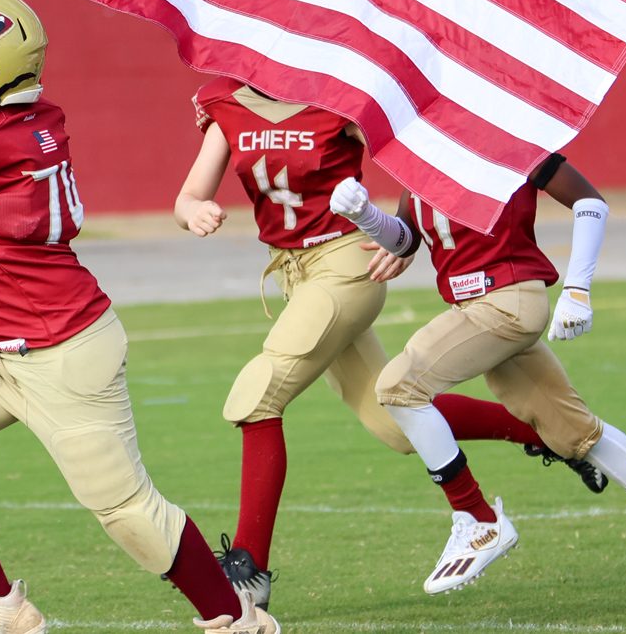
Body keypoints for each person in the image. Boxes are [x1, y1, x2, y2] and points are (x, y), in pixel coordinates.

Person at [0, 0, 279, 634]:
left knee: (130, 514)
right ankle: (1, 607)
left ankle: (236, 620)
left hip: (61, 353)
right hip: (0, 345)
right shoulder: (28, 116)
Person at [172, 78, 600, 608]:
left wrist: (401, 228)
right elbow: (188, 195)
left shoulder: (338, 94)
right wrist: (193, 211)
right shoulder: (226, 104)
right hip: (294, 276)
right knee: (392, 423)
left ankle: (248, 571)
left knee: (257, 394)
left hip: (346, 264)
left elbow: (420, 147)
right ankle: (543, 435)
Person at [328, 154, 626, 606]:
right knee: (574, 434)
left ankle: (478, 519)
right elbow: (405, 241)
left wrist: (577, 289)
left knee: (398, 386)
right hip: (474, 306)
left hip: (507, 302)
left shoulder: (508, 137)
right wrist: (364, 214)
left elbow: (590, 203)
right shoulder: (425, 148)